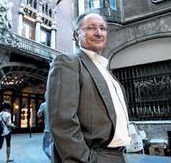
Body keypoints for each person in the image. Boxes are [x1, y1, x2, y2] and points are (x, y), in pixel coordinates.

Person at [46, 11, 131, 163]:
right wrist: (86, 159)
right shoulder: (68, 62)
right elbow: (62, 122)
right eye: (91, 28)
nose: (99, 33)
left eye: (103, 28)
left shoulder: (105, 70)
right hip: (94, 157)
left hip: (118, 156)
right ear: (77, 35)